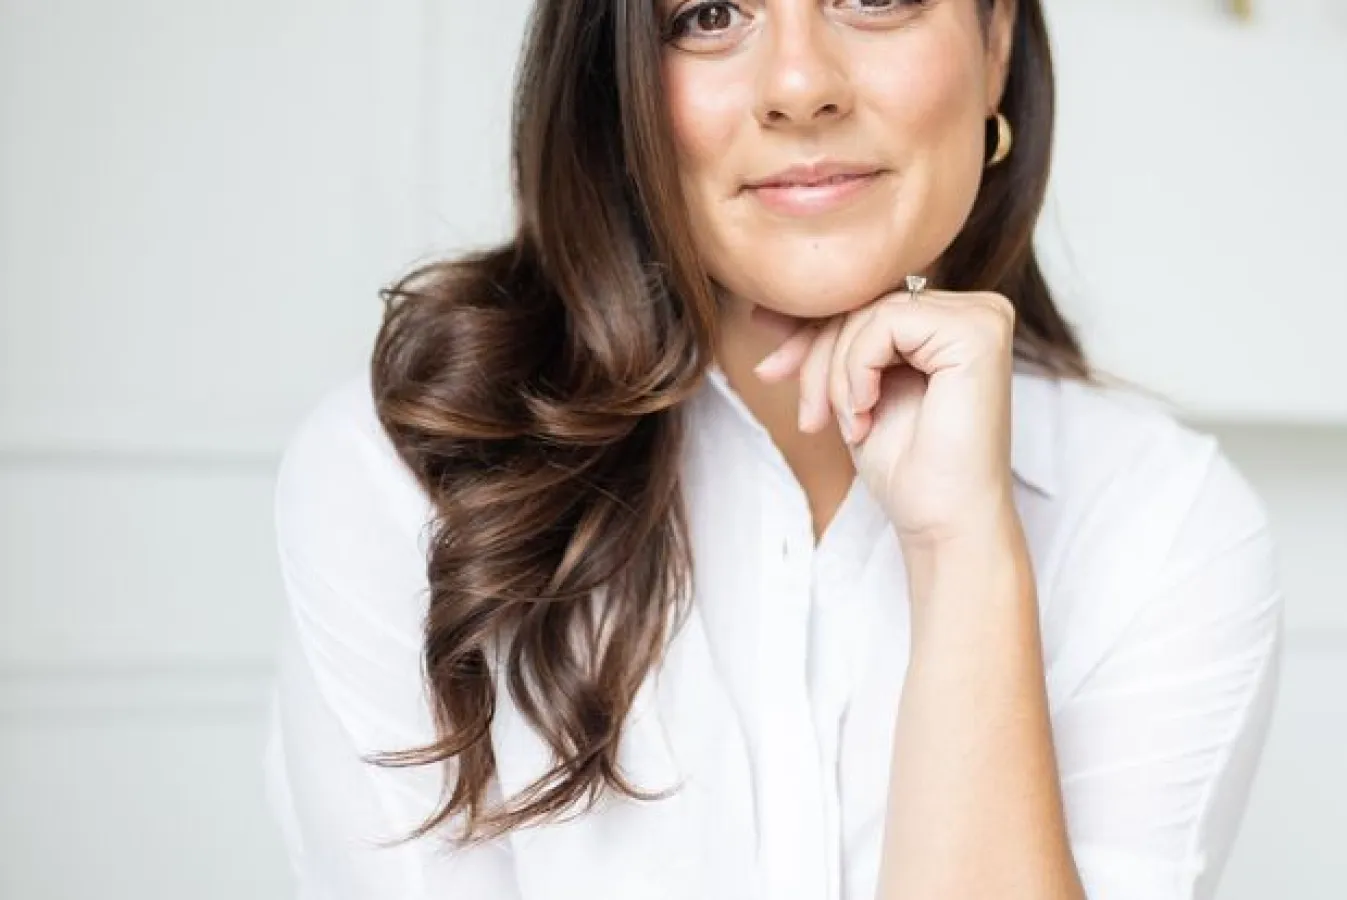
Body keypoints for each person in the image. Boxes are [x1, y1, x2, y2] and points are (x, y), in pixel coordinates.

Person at [262, 1, 1285, 898]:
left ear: (996, 41)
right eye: (708, 13)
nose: (800, 86)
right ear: (616, 86)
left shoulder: (1163, 521)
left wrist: (963, 554)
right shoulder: (408, 473)